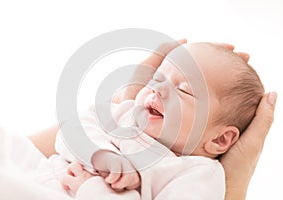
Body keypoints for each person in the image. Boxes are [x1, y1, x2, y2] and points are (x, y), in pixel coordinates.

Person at [29, 40, 277, 200]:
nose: (159, 89)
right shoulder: (123, 113)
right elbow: (71, 131)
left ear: (220, 139)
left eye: (184, 90)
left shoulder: (197, 174)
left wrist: (92, 190)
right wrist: (101, 155)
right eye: (157, 78)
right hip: (32, 178)